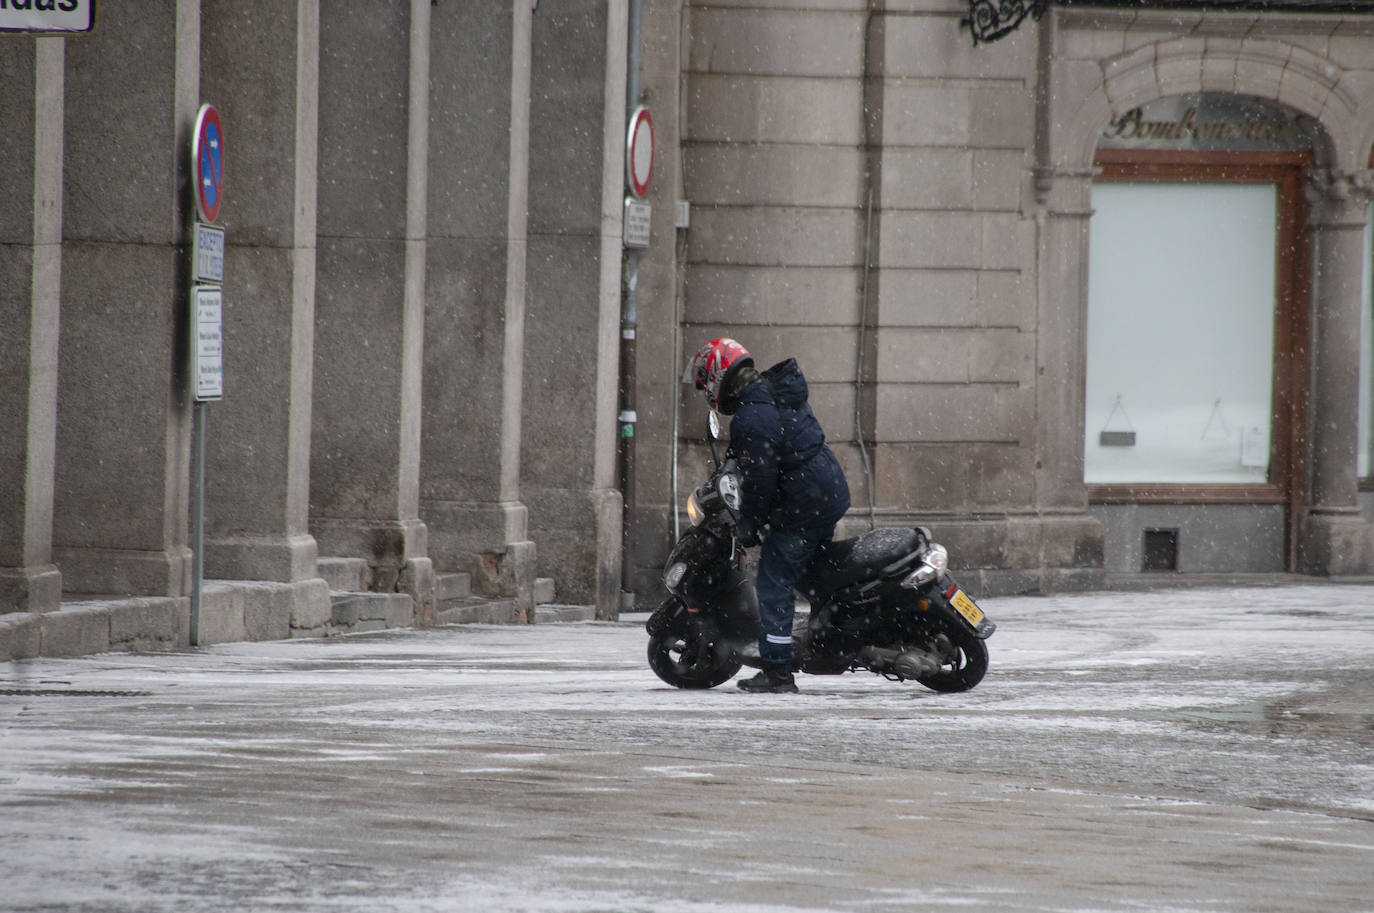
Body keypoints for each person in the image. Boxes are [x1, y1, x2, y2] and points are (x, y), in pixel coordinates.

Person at [686, 338, 851, 693]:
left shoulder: (752, 413)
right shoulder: (766, 395)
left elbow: (760, 479)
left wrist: (749, 522)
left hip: (806, 501)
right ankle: (833, 630)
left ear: (718, 373)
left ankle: (777, 673)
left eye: (704, 382)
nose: (705, 390)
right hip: (824, 489)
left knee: (774, 581)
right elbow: (764, 460)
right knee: (812, 569)